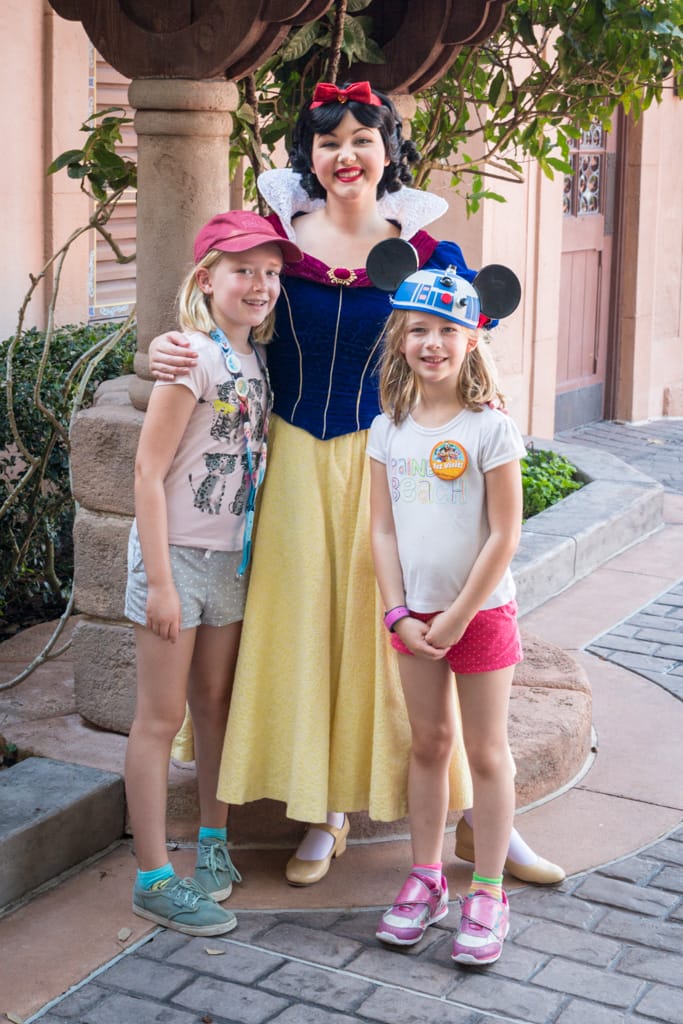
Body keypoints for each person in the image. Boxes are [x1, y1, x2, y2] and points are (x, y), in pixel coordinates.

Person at [147, 80, 564, 889]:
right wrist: (173, 349)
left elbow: (463, 335)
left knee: (412, 633)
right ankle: (322, 809)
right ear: (308, 154)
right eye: (328, 140)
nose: (344, 154)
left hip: (397, 467)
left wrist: (489, 402)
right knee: (310, 631)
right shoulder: (276, 243)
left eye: (360, 140)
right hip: (297, 461)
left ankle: (484, 820)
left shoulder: (427, 252)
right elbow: (221, 307)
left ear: (385, 154)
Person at [124, 210, 302, 935]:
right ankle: (152, 877)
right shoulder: (190, 356)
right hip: (176, 564)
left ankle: (212, 846)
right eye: (243, 270)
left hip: (231, 561)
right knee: (160, 719)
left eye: (270, 273)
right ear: (207, 279)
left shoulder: (255, 361)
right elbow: (146, 471)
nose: (260, 285)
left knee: (215, 706)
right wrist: (161, 582)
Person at [369, 263, 524, 964]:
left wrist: (458, 616)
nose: (431, 343)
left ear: (472, 339)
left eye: (447, 331)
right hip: (412, 617)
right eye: (418, 330)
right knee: (427, 745)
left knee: (486, 751)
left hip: (479, 615)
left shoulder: (491, 430)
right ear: (400, 337)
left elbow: (504, 534)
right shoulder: (386, 429)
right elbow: (382, 531)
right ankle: (425, 877)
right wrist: (397, 611)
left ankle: (487, 891)